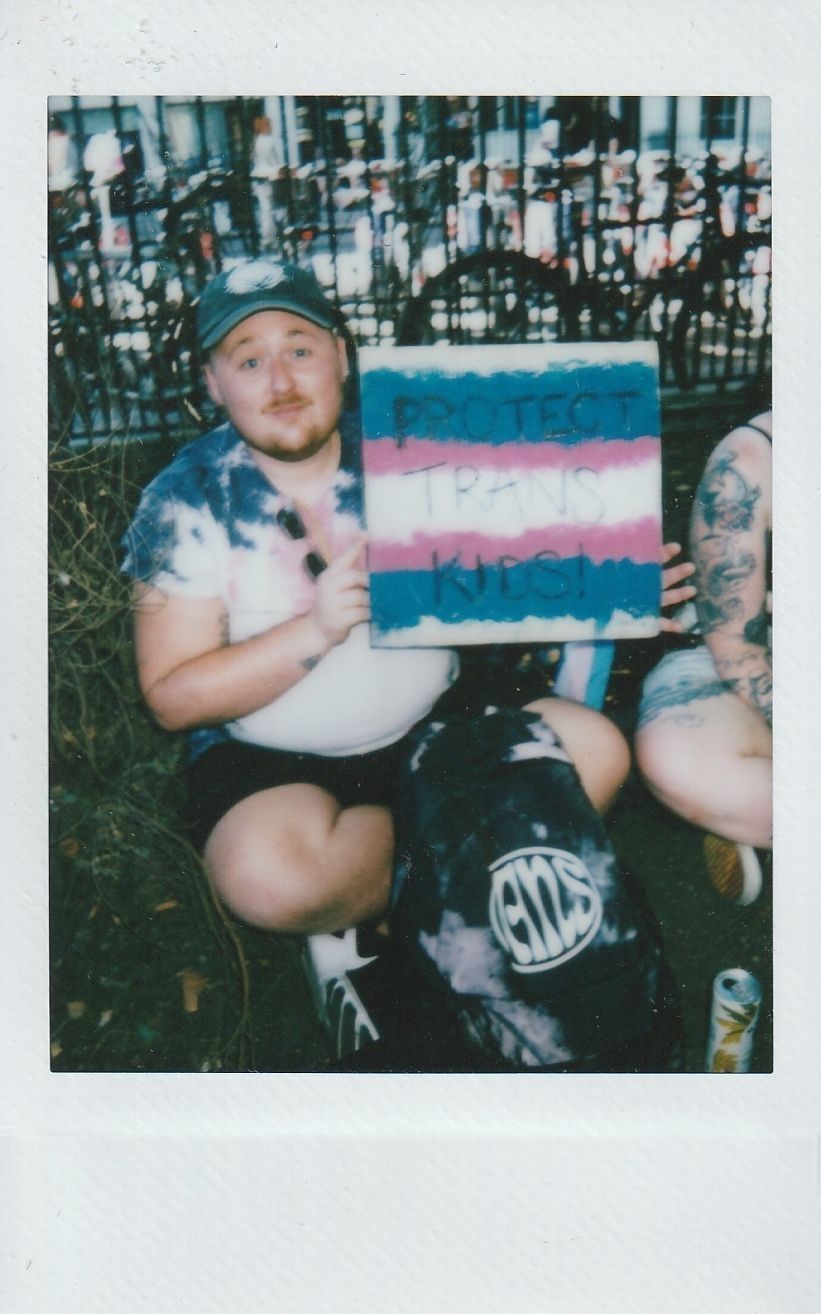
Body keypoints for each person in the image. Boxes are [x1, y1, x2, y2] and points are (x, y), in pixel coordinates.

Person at [122, 256, 693, 1054]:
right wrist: (311, 631)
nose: (279, 377)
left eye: (300, 346)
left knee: (594, 751)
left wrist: (617, 584)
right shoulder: (185, 500)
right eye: (247, 359)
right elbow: (171, 697)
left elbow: (528, 547)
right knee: (267, 875)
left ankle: (388, 913)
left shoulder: (414, 440)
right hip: (281, 763)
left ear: (341, 356)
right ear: (214, 384)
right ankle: (460, 881)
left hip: (438, 730)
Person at [635, 408, 772, 905]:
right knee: (682, 758)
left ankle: (756, 820)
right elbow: (738, 651)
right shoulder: (747, 466)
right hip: (736, 661)